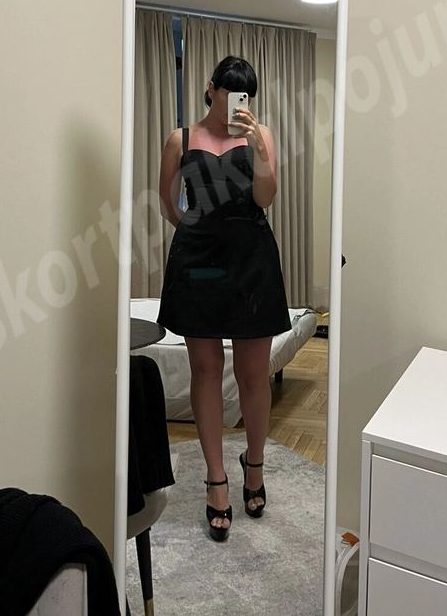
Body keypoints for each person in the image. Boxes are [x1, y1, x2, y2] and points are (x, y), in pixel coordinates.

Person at [157, 56, 291, 541]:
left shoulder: (261, 135)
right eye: (229, 92)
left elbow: (265, 198)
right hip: (200, 262)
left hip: (252, 259)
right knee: (206, 369)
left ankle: (254, 463)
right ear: (211, 89)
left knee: (254, 373)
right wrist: (198, 234)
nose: (236, 103)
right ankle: (216, 480)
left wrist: (259, 150)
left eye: (245, 95)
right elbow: (168, 202)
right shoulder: (181, 139)